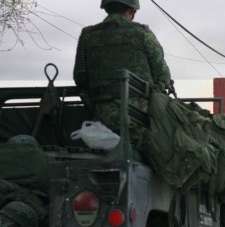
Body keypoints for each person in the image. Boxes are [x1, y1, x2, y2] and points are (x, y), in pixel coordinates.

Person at [73, 0, 172, 140]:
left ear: (106, 8)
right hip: (140, 119)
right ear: (131, 10)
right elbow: (163, 77)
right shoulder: (142, 33)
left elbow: (80, 78)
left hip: (101, 119)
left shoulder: (87, 36)